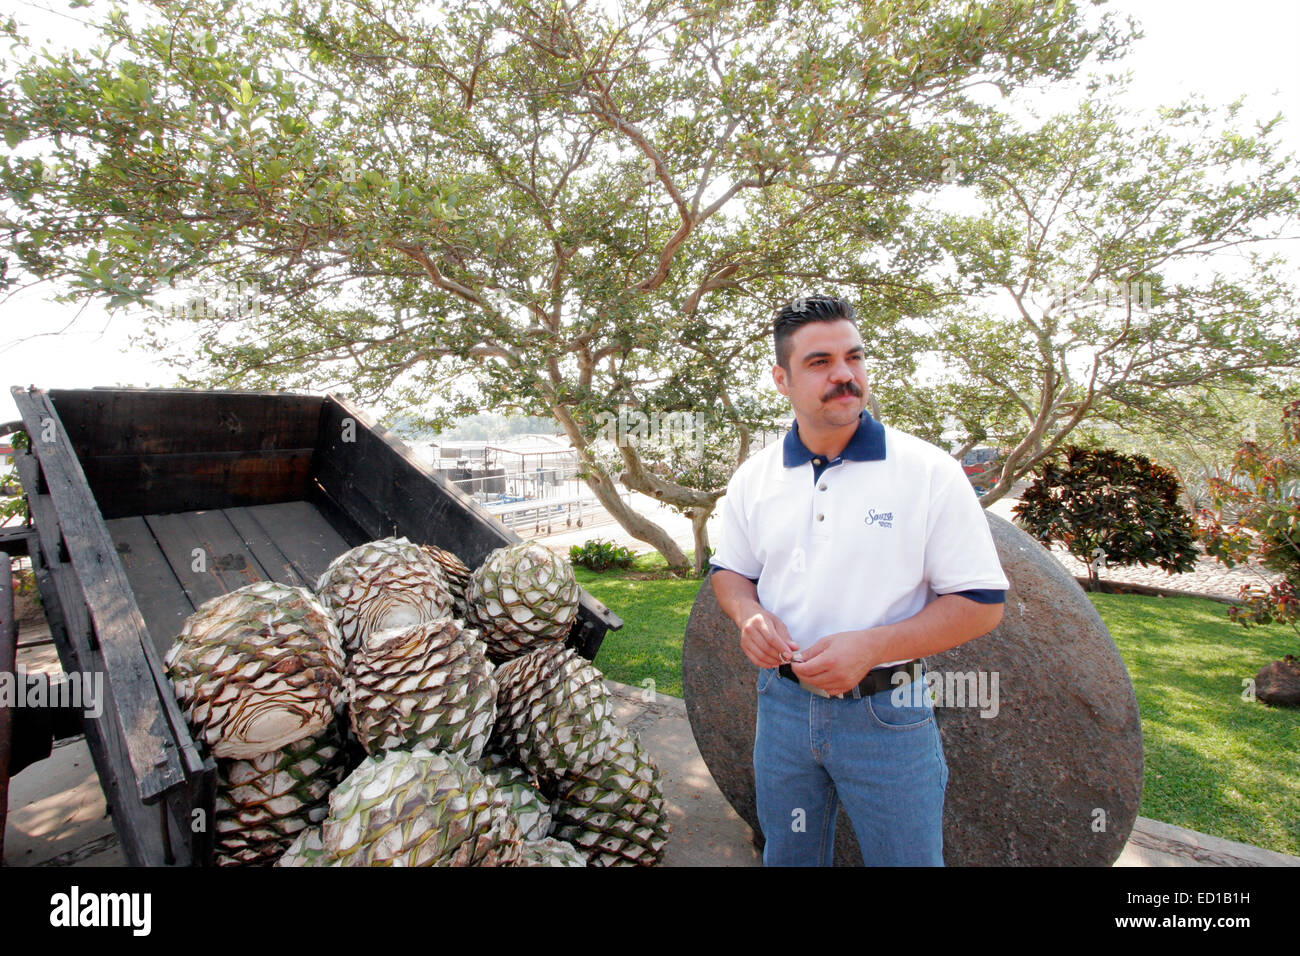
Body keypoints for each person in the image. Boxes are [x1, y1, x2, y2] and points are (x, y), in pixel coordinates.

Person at [710, 293, 1009, 866]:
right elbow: (731, 573)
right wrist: (748, 615)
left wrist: (871, 646)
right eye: (820, 362)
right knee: (787, 858)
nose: (844, 374)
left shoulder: (929, 473)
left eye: (854, 357)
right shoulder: (754, 477)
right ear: (782, 378)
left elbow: (981, 603)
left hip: (889, 711)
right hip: (781, 707)